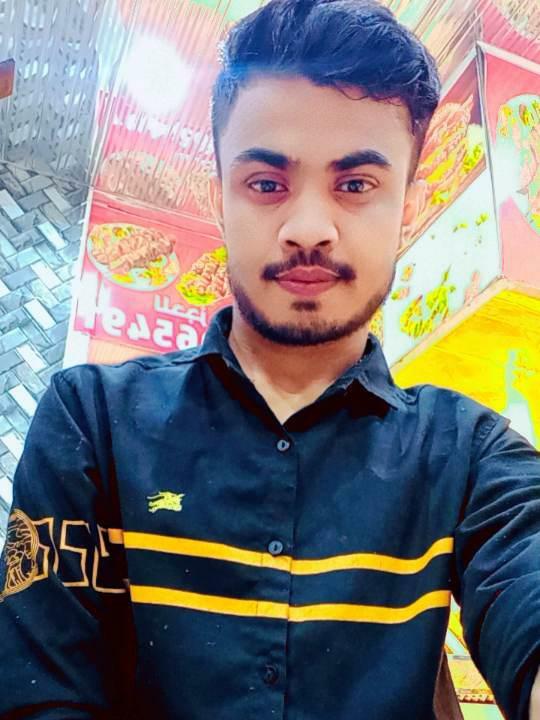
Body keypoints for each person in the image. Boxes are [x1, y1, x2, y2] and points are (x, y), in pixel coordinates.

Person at [0, 0, 539, 718]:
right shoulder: (91, 419)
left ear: (408, 206)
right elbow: (39, 693)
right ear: (219, 198)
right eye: (266, 184)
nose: (308, 228)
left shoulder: (469, 454)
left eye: (356, 185)